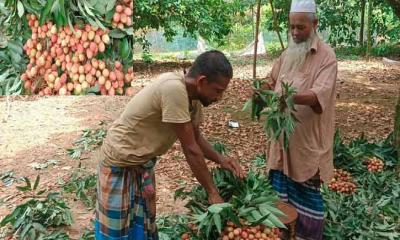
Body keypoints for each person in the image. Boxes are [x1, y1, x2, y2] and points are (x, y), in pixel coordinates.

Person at [94, 50, 245, 240]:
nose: (219, 98)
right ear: (201, 81)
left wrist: (221, 159)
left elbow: (196, 138)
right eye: (218, 90)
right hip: (120, 161)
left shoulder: (194, 99)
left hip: (143, 163)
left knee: (143, 226)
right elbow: (190, 149)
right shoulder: (173, 89)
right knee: (117, 231)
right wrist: (212, 193)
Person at [261, 0, 337, 239]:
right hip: (281, 144)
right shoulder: (287, 54)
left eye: (300, 28)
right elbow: (271, 81)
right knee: (279, 206)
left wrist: (288, 96)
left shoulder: (327, 58)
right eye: (291, 27)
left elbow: (317, 96)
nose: (294, 33)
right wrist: (261, 90)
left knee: (308, 208)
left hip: (307, 146)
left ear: (315, 24)